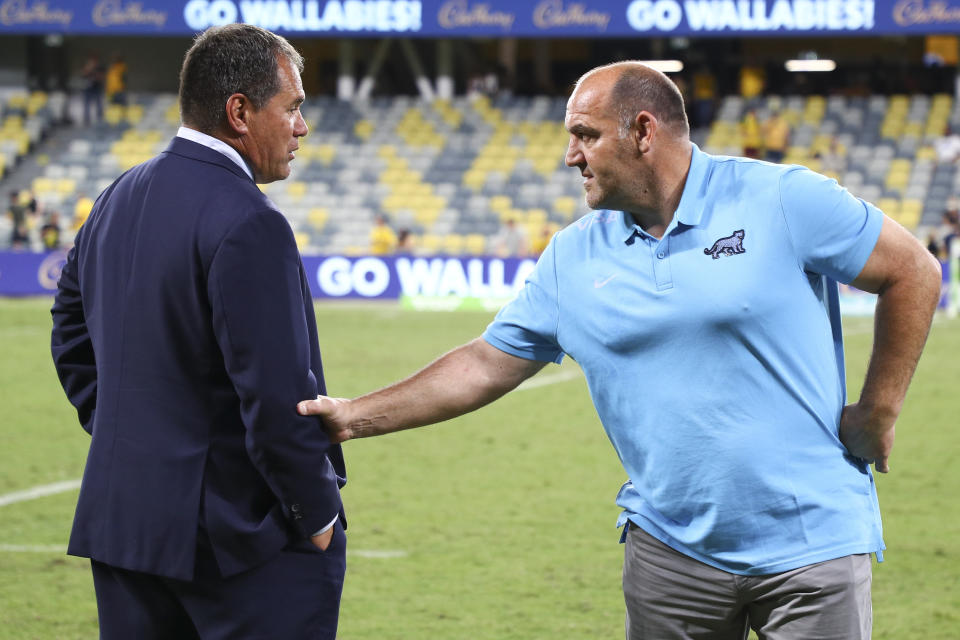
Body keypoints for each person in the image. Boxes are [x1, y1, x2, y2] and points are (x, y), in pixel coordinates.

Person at [298, 61, 942, 639]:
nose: (571, 156)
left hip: (813, 548)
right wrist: (355, 417)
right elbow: (484, 363)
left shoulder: (782, 198)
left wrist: (878, 412)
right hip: (669, 558)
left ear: (643, 131)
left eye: (585, 134)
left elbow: (913, 270)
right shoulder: (574, 256)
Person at [51, 24, 346, 640]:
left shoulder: (115, 195)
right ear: (240, 112)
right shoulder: (249, 219)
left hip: (126, 525)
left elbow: (70, 334)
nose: (302, 126)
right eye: (291, 107)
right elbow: (277, 397)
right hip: (239, 543)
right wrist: (316, 514)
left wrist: (134, 436)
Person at [80, 52, 105, 125]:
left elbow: (101, 77)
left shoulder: (100, 67)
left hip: (97, 88)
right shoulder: (87, 66)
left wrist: (95, 73)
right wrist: (89, 69)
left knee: (99, 105)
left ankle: (100, 121)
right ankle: (86, 121)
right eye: (91, 60)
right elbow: (83, 75)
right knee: (86, 105)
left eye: (94, 60)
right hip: (88, 88)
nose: (93, 61)